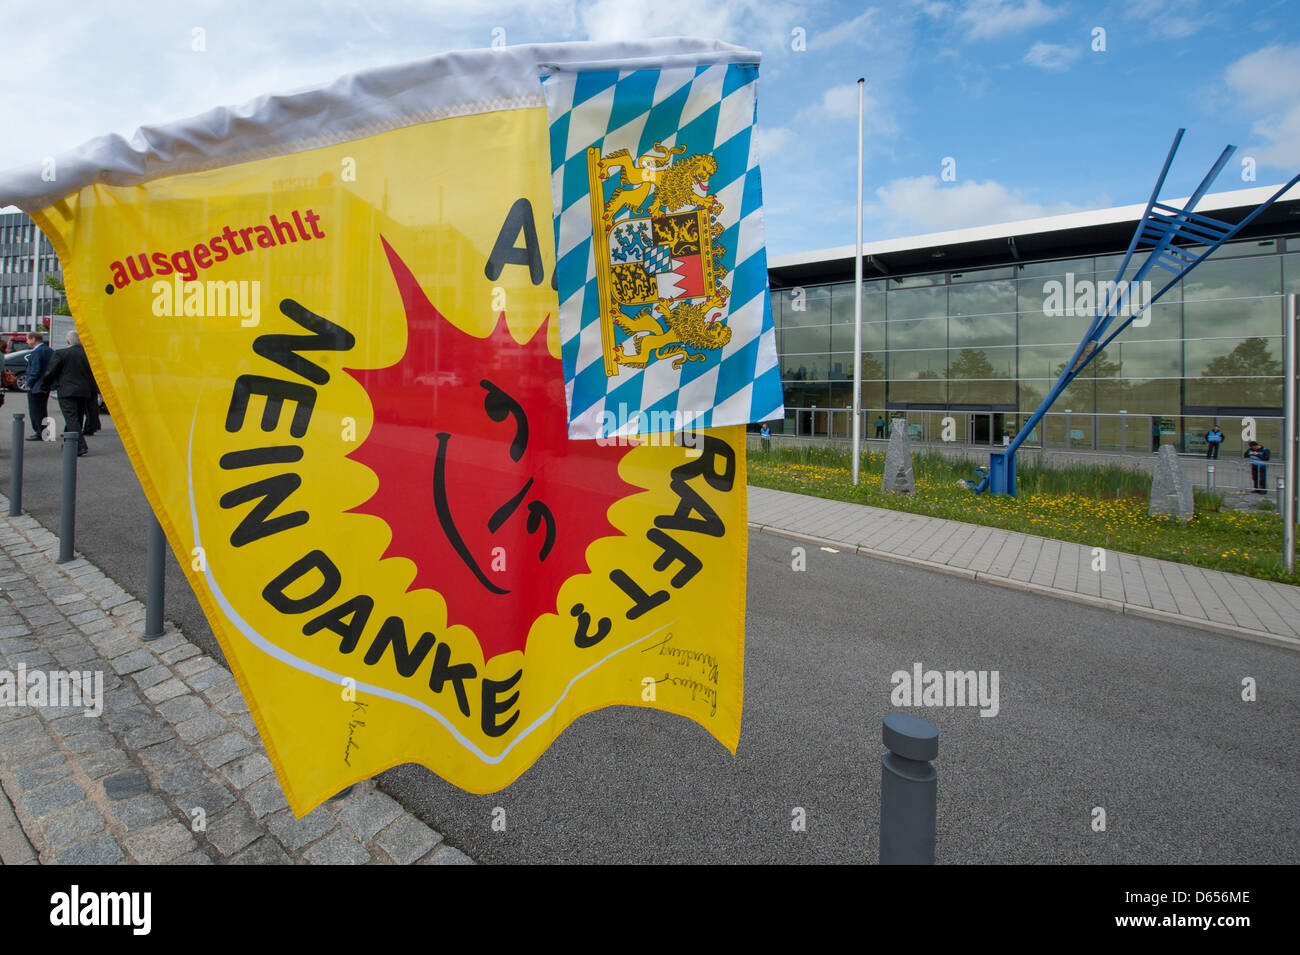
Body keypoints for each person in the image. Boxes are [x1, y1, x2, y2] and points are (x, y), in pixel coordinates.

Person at [45, 330, 97, 456]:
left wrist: (44, 385)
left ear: (68, 341)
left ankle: (79, 445)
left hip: (67, 390)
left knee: (71, 418)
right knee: (77, 418)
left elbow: (51, 372)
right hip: (84, 391)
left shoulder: (61, 353)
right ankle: (70, 442)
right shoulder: (89, 355)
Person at [23, 330, 53, 441]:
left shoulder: (37, 352)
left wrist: (29, 383)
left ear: (33, 339)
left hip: (36, 386)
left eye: (27, 339)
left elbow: (35, 370)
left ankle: (39, 432)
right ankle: (44, 431)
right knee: (42, 409)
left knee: (35, 410)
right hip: (45, 385)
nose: (27, 341)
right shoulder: (49, 350)